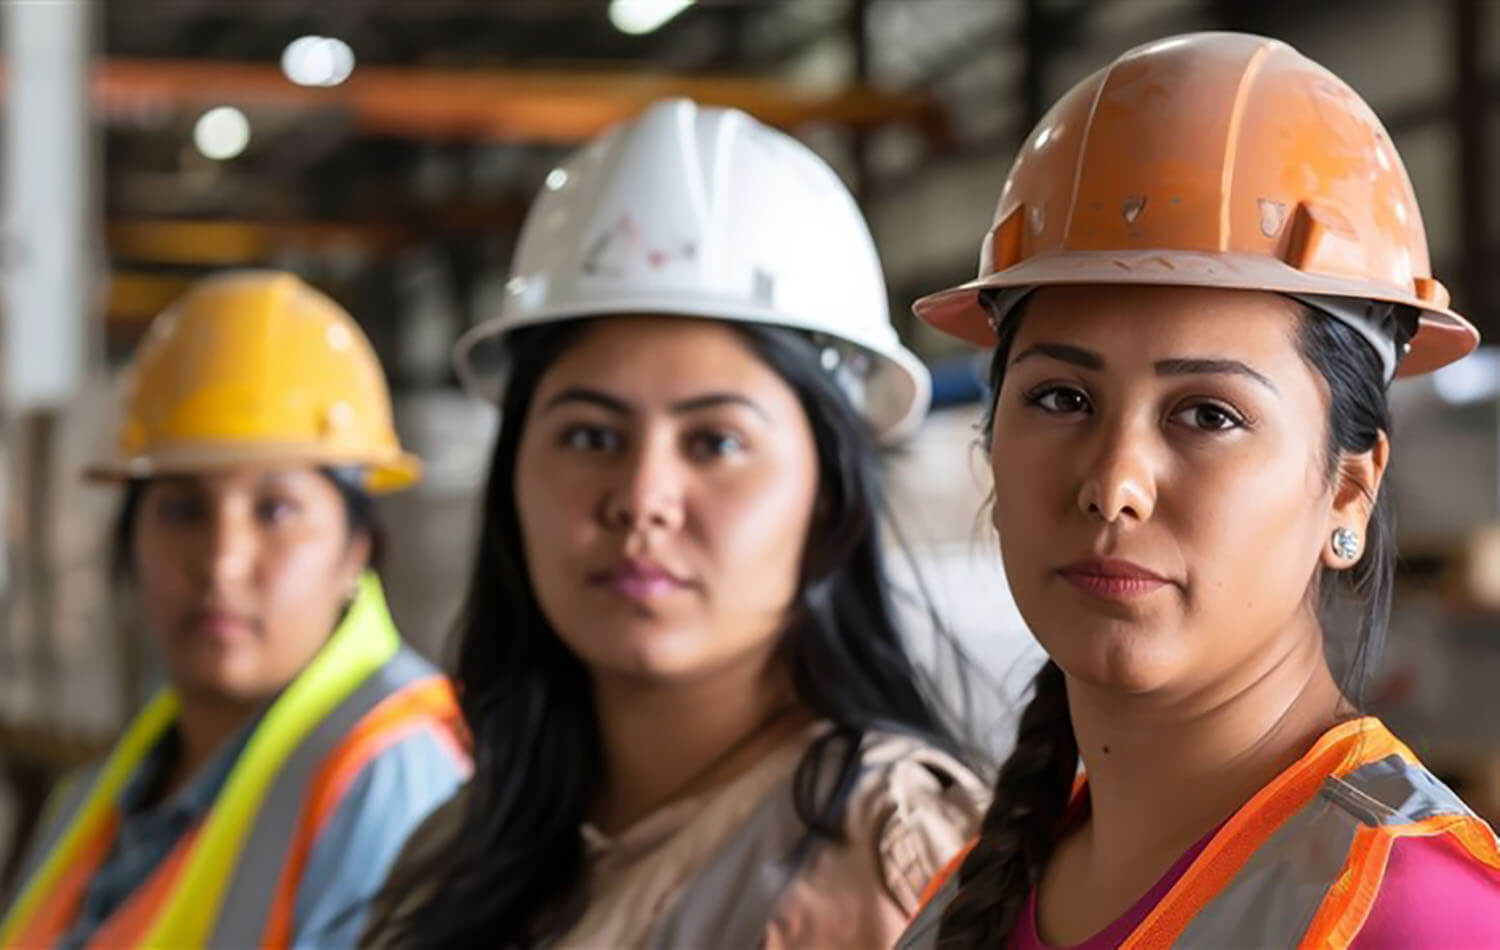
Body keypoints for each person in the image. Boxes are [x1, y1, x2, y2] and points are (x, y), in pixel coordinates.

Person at [898, 31, 1500, 950]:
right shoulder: (964, 902)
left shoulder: (1408, 917)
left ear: (1348, 491)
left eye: (1209, 415)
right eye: (1062, 398)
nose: (1114, 486)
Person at [364, 98, 987, 948]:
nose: (642, 496)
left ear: (830, 493)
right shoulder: (456, 849)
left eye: (716, 441)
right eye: (589, 435)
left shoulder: (888, 858)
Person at [0, 271, 471, 948]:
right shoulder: (108, 788)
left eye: (275, 510)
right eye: (183, 510)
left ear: (355, 549)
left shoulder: (390, 778)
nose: (220, 562)